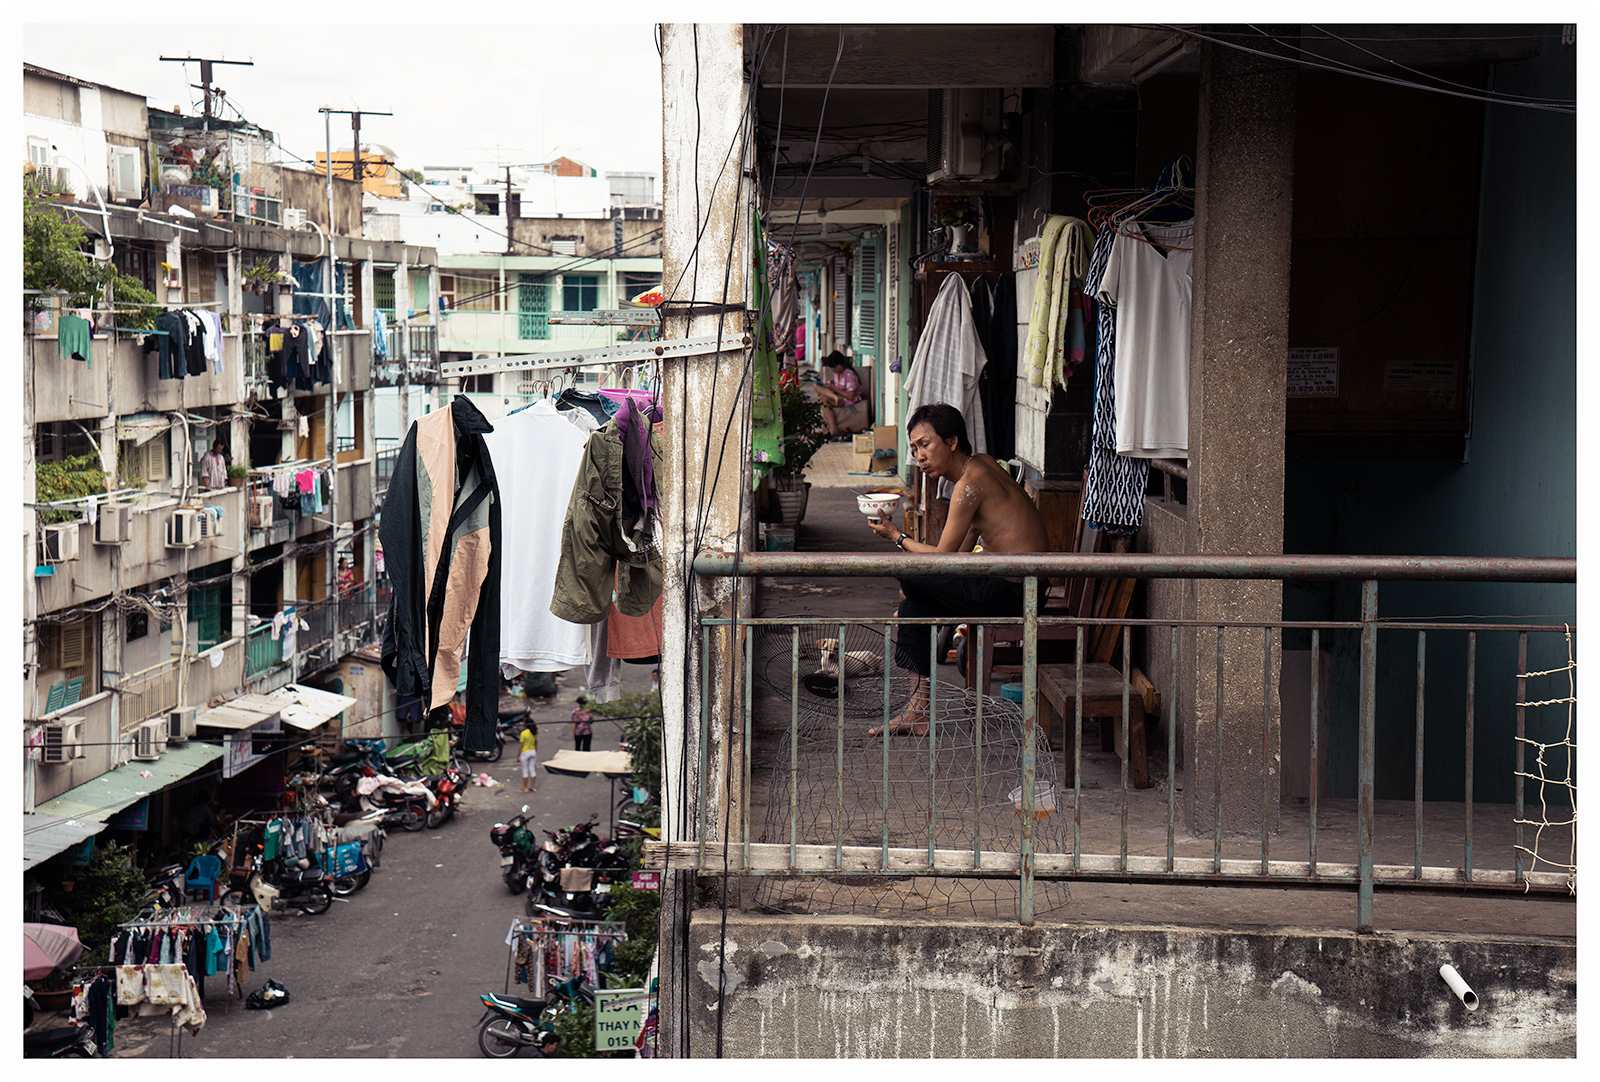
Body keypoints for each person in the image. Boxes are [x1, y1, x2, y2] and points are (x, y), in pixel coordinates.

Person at [864, 403, 1050, 735]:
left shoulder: (969, 483)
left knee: (909, 574)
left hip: (1015, 591)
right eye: (915, 448)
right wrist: (932, 582)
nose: (919, 456)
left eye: (926, 444)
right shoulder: (981, 463)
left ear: (951, 441)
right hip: (1015, 585)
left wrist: (897, 536)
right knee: (913, 607)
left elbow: (943, 558)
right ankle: (917, 713)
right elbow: (961, 551)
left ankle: (918, 712)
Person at [815, 351, 864, 437]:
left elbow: (850, 396)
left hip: (847, 399)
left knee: (822, 400)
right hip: (837, 395)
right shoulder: (837, 373)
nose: (833, 371)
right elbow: (840, 384)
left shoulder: (850, 375)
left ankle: (833, 428)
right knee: (816, 386)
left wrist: (834, 389)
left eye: (834, 368)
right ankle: (833, 396)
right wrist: (831, 384)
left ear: (839, 365)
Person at [518, 722, 539, 793]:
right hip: (532, 751)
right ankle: (532, 787)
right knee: (532, 769)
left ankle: (525, 787)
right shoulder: (534, 733)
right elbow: (536, 743)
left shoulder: (523, 733)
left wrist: (518, 755)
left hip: (525, 752)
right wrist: (535, 751)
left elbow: (521, 745)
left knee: (525, 770)